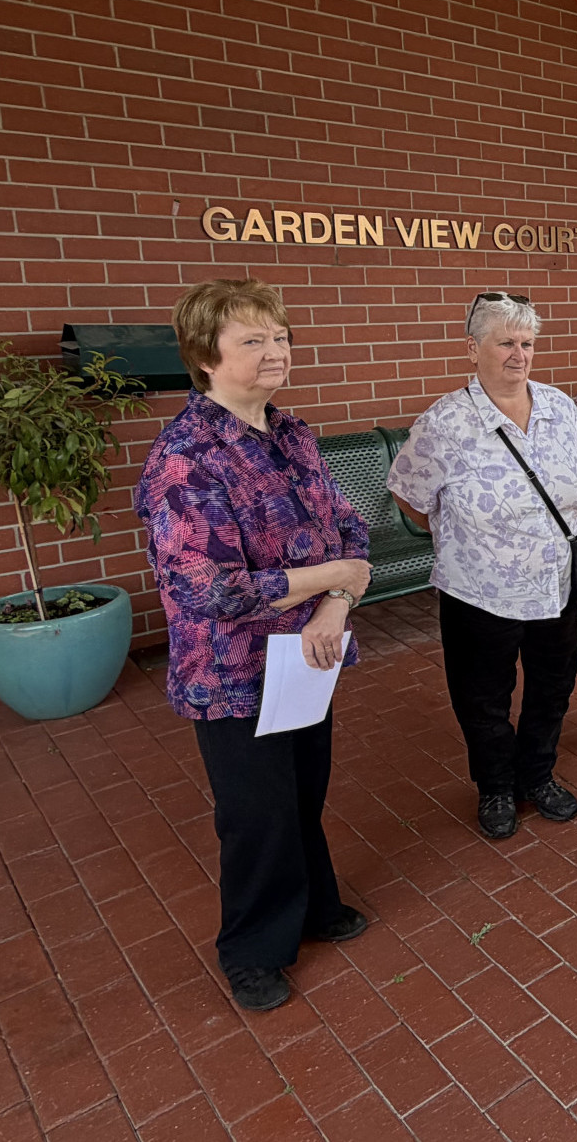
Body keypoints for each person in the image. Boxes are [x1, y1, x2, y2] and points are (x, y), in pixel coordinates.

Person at [135, 279, 372, 1014]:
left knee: (303, 792)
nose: (277, 352)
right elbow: (210, 588)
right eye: (253, 340)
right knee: (254, 813)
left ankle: (313, 906)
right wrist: (332, 576)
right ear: (204, 358)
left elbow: (352, 530)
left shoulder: (292, 433)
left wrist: (335, 604)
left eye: (280, 336)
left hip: (309, 653)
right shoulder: (184, 459)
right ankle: (251, 950)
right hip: (233, 673)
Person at [388, 292, 577, 841]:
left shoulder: (559, 407)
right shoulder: (445, 422)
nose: (518, 354)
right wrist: (467, 539)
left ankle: (538, 775)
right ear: (472, 348)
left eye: (527, 343)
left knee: (553, 687)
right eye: (505, 342)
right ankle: (496, 787)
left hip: (554, 582)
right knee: (484, 699)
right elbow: (410, 496)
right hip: (479, 591)